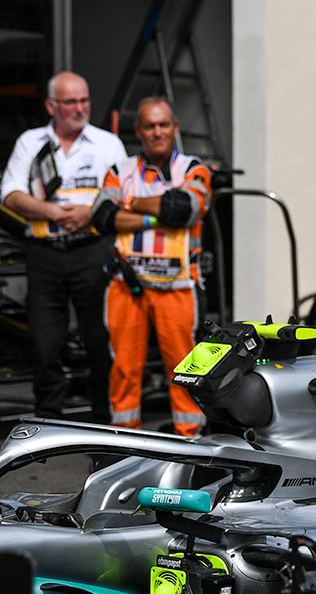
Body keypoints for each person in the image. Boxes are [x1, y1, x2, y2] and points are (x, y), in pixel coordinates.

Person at [0, 71, 126, 421]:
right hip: (45, 254)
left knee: (100, 338)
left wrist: (90, 214)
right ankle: (48, 421)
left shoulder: (107, 143)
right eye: (70, 102)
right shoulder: (31, 142)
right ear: (50, 106)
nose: (80, 108)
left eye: (84, 100)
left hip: (93, 250)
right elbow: (9, 193)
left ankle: (104, 421)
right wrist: (51, 212)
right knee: (45, 342)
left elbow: (124, 194)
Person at [89, 98, 211, 436]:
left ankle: (191, 442)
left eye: (163, 125)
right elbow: (102, 216)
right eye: (150, 126)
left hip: (178, 287)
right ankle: (122, 440)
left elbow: (183, 208)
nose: (157, 132)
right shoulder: (120, 171)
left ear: (175, 127)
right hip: (126, 286)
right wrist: (154, 216)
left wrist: (130, 204)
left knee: (186, 370)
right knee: (123, 370)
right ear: (139, 131)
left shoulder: (193, 169)